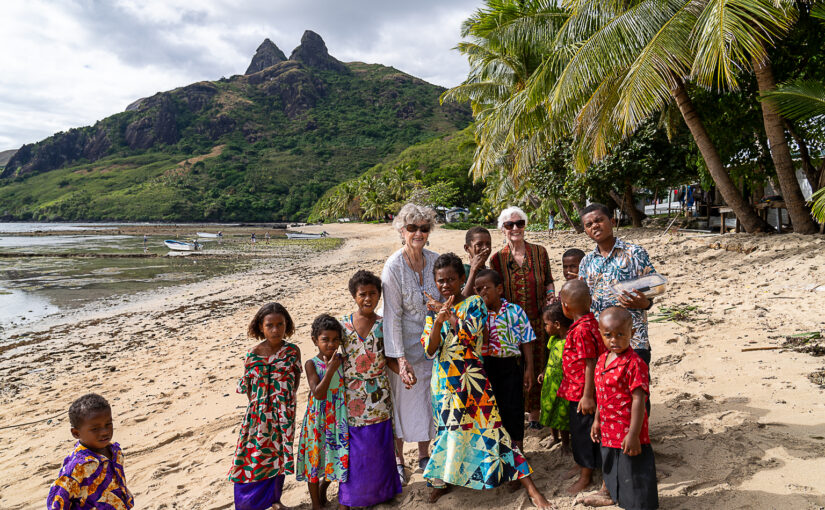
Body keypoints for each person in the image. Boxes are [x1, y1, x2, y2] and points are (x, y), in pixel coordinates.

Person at [420, 253, 552, 509]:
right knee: (447, 432)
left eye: (450, 279)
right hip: (444, 383)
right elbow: (429, 349)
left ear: (461, 279)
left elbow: (470, 338)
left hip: (472, 379)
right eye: (440, 280)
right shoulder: (432, 310)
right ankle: (442, 480)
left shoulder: (474, 304)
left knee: (493, 429)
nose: (445, 285)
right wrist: (437, 321)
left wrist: (449, 316)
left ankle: (531, 489)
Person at [577, 203, 657, 412]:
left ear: (612, 221)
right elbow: (583, 301)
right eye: (589, 224)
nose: (594, 226)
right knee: (609, 392)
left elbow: (653, 287)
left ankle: (640, 439)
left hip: (634, 337)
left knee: (637, 391)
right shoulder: (586, 262)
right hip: (602, 339)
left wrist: (645, 303)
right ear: (585, 230)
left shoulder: (634, 252)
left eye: (599, 220)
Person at [380, 203, 439, 482]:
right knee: (402, 402)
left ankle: (425, 455)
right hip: (401, 344)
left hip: (431, 345)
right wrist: (400, 360)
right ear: (402, 230)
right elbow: (391, 315)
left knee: (427, 401)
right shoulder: (393, 265)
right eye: (412, 228)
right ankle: (399, 460)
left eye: (423, 228)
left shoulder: (435, 259)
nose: (418, 233)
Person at [337, 270, 403, 507]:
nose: (368, 298)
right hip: (351, 394)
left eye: (373, 294)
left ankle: (383, 492)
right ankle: (353, 495)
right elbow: (331, 359)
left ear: (379, 295)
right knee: (356, 447)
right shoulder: (342, 326)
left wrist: (404, 372)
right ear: (353, 296)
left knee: (380, 443)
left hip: (379, 394)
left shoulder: (384, 325)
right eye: (362, 294)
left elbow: (390, 358)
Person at [583, 307, 658, 509]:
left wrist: (633, 434)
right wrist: (597, 420)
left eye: (620, 334)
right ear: (600, 334)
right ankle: (612, 495)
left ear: (632, 334)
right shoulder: (601, 360)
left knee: (633, 470)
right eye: (608, 335)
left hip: (628, 429)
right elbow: (601, 394)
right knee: (612, 464)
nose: (614, 340)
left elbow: (639, 400)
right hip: (608, 427)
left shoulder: (635, 364)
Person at [229, 302, 302, 510]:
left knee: (279, 455)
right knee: (255, 454)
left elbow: (295, 381)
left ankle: (274, 500)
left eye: (280, 324)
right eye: (270, 325)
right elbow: (249, 390)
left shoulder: (292, 352)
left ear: (286, 325)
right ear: (261, 327)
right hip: (258, 415)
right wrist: (261, 408)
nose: (275, 330)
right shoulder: (253, 354)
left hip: (284, 413)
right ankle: (249, 504)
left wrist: (285, 402)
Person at [490, 206, 555, 429]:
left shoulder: (540, 252)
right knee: (515, 370)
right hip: (510, 326)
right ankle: (517, 415)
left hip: (537, 321)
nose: (515, 228)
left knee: (538, 365)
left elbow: (548, 280)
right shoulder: (497, 259)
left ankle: (535, 416)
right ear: (502, 229)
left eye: (519, 223)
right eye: (510, 225)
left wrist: (550, 295)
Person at [473, 268, 536, 453]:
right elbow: (482, 340)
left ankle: (518, 455)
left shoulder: (515, 311)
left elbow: (527, 340)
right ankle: (497, 455)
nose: (482, 292)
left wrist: (529, 368)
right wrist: (482, 313)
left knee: (514, 410)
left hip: (511, 367)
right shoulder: (477, 315)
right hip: (487, 367)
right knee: (492, 411)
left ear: (499, 289)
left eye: (486, 288)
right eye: (478, 290)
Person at [296, 314, 349, 510]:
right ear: (315, 340)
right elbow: (318, 393)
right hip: (318, 419)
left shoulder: (343, 360)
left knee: (338, 456)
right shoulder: (311, 363)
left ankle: (333, 495)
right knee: (315, 459)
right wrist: (330, 369)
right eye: (325, 340)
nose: (331, 344)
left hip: (338, 416)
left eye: (336, 340)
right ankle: (316, 504)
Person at [557, 279, 604, 495]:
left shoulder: (582, 331)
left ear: (565, 307)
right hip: (576, 389)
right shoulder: (592, 323)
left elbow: (590, 362)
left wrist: (587, 396)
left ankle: (586, 477)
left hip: (582, 393)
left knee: (584, 434)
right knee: (579, 433)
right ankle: (581, 464)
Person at [47, 393, 134, 509]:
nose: (104, 431)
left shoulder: (114, 451)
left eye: (108, 424)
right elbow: (57, 502)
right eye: (95, 429)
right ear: (76, 433)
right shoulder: (78, 467)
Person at [538, 302, 572, 452]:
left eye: (546, 324)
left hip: (564, 386)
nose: (545, 328)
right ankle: (554, 437)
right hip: (550, 384)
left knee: (562, 416)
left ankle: (565, 443)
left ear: (557, 324)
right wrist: (544, 372)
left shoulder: (570, 342)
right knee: (549, 409)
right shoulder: (554, 340)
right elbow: (551, 358)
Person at [462, 226, 492, 297]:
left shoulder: (490, 272)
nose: (485, 248)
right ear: (467, 248)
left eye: (488, 244)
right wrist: (473, 270)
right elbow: (462, 301)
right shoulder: (461, 271)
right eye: (479, 244)